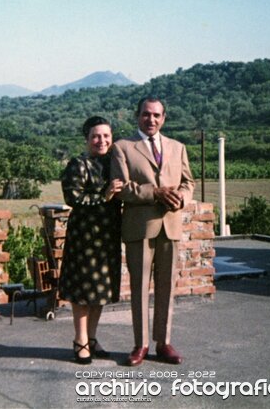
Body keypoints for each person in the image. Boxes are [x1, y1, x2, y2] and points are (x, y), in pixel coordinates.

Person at [110, 97, 195, 366]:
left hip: (170, 225)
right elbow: (121, 188)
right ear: (138, 116)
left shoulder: (178, 147)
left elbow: (188, 182)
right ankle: (141, 343)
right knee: (139, 287)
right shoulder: (122, 147)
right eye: (146, 114)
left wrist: (181, 198)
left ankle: (163, 342)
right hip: (139, 227)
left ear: (164, 118)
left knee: (167, 287)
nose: (151, 120)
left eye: (157, 115)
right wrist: (154, 193)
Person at [58, 116, 124, 364]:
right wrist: (103, 197)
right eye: (96, 136)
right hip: (85, 237)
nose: (102, 140)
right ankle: (80, 340)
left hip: (108, 237)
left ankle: (93, 338)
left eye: (106, 136)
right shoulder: (78, 163)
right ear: (87, 138)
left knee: (101, 290)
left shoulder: (115, 163)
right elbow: (72, 197)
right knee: (84, 291)